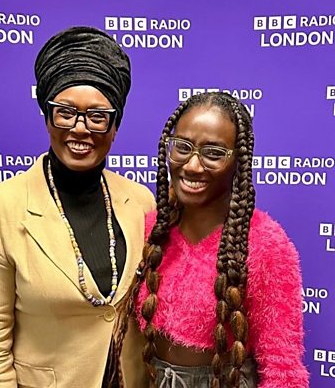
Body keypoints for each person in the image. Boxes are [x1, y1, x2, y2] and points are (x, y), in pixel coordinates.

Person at [0, 26, 155, 388]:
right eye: (65, 112)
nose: (80, 129)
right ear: (47, 116)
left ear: (115, 126)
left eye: (97, 116)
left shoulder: (140, 200)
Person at [115, 92, 309, 388]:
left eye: (213, 153)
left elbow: (282, 365)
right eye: (182, 147)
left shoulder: (266, 244)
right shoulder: (151, 229)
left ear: (238, 161)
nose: (192, 165)